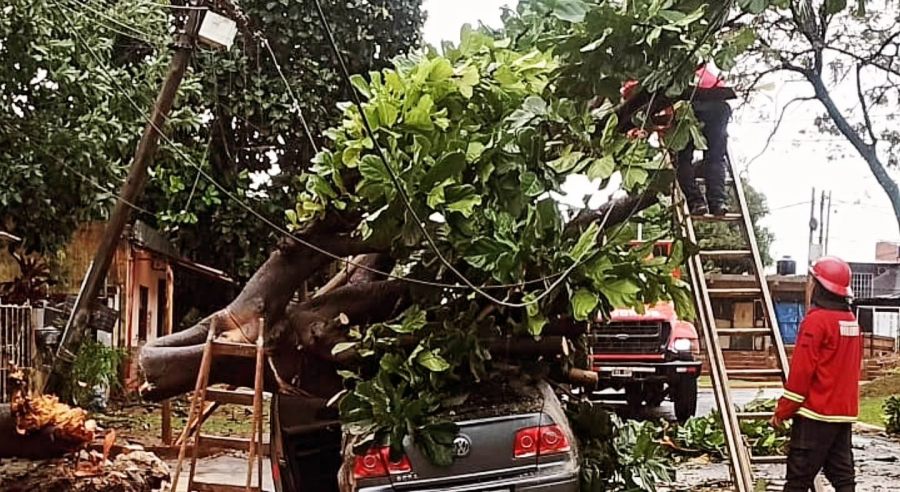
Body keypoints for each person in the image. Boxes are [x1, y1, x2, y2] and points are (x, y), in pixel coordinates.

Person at [771, 256, 861, 492]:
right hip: (843, 415)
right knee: (843, 478)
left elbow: (801, 374)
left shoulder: (816, 322)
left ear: (817, 285)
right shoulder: (851, 321)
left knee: (798, 481)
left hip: (815, 415)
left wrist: (782, 411)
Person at [677, 64, 735, 216]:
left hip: (687, 109)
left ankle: (696, 202)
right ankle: (718, 203)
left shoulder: (674, 72)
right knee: (715, 158)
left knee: (682, 159)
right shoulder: (707, 72)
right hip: (717, 107)